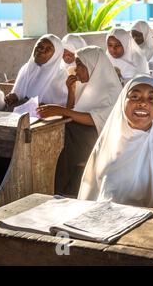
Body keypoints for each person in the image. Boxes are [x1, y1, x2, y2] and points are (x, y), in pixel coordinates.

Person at [78, 75, 153, 209]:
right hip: (106, 219)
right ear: (123, 100)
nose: (142, 103)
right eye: (134, 96)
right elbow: (92, 191)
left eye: (152, 98)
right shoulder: (108, 141)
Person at [37, 46, 122, 196]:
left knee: (66, 136)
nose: (76, 70)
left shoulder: (112, 89)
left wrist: (60, 110)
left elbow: (94, 119)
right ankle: (50, 185)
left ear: (93, 66)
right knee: (60, 131)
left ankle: (56, 189)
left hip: (99, 137)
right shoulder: (85, 85)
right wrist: (71, 92)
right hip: (82, 133)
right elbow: (71, 112)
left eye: (81, 65)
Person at [5, 34, 68, 107]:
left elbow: (63, 105)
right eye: (39, 46)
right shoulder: (26, 68)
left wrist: (42, 106)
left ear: (55, 55)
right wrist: (13, 97)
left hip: (45, 117)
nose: (41, 50)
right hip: (21, 113)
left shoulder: (60, 75)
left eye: (48, 49)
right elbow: (18, 94)